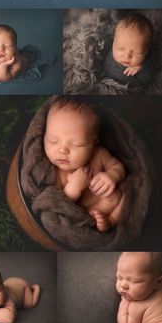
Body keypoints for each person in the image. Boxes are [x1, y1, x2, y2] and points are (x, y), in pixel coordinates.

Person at [43, 97, 126, 232]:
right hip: (83, 212)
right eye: (53, 141)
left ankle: (112, 220)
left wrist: (112, 175)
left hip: (110, 202)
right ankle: (101, 222)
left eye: (77, 144)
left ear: (94, 143)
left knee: (126, 195)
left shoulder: (99, 154)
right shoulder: (54, 172)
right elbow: (60, 204)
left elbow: (118, 166)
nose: (62, 150)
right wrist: (74, 187)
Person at [116, 252, 162, 323]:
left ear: (158, 282)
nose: (123, 285)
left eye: (136, 281)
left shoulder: (136, 305)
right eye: (119, 277)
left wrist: (124, 303)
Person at [103, 13, 155, 90]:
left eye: (137, 53)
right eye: (120, 48)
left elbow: (153, 68)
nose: (127, 56)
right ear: (114, 42)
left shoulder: (149, 59)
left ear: (146, 51)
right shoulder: (108, 54)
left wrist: (142, 67)